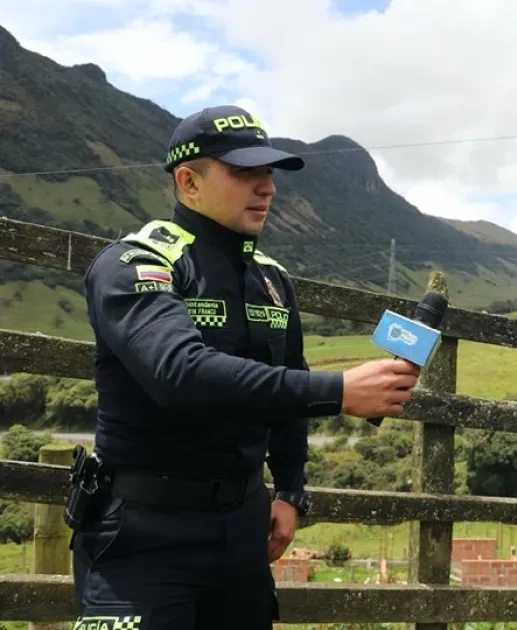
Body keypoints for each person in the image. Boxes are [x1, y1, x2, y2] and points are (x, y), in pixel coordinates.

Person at [68, 104, 421, 629]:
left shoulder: (274, 280)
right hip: (142, 536)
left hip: (243, 531)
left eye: (269, 173)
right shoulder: (136, 263)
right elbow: (179, 373)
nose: (267, 188)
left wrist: (290, 490)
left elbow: (287, 385)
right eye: (243, 172)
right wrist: (340, 390)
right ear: (188, 182)